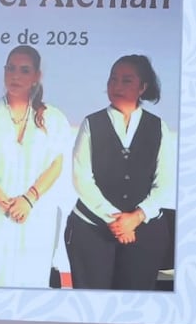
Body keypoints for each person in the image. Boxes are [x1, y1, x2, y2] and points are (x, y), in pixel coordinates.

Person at [64, 54, 175, 290]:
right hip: (92, 230)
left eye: (126, 80)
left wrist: (136, 217)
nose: (117, 86)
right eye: (113, 79)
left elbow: (165, 182)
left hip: (143, 232)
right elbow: (81, 178)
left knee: (134, 305)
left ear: (142, 87)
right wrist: (115, 219)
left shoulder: (158, 127)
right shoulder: (91, 123)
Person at [0, 45, 71, 288]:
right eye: (10, 69)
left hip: (34, 215)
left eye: (24, 70)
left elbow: (56, 164)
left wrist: (28, 200)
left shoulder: (53, 118)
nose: (15, 76)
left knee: (30, 285)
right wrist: (8, 204)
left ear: (36, 77)